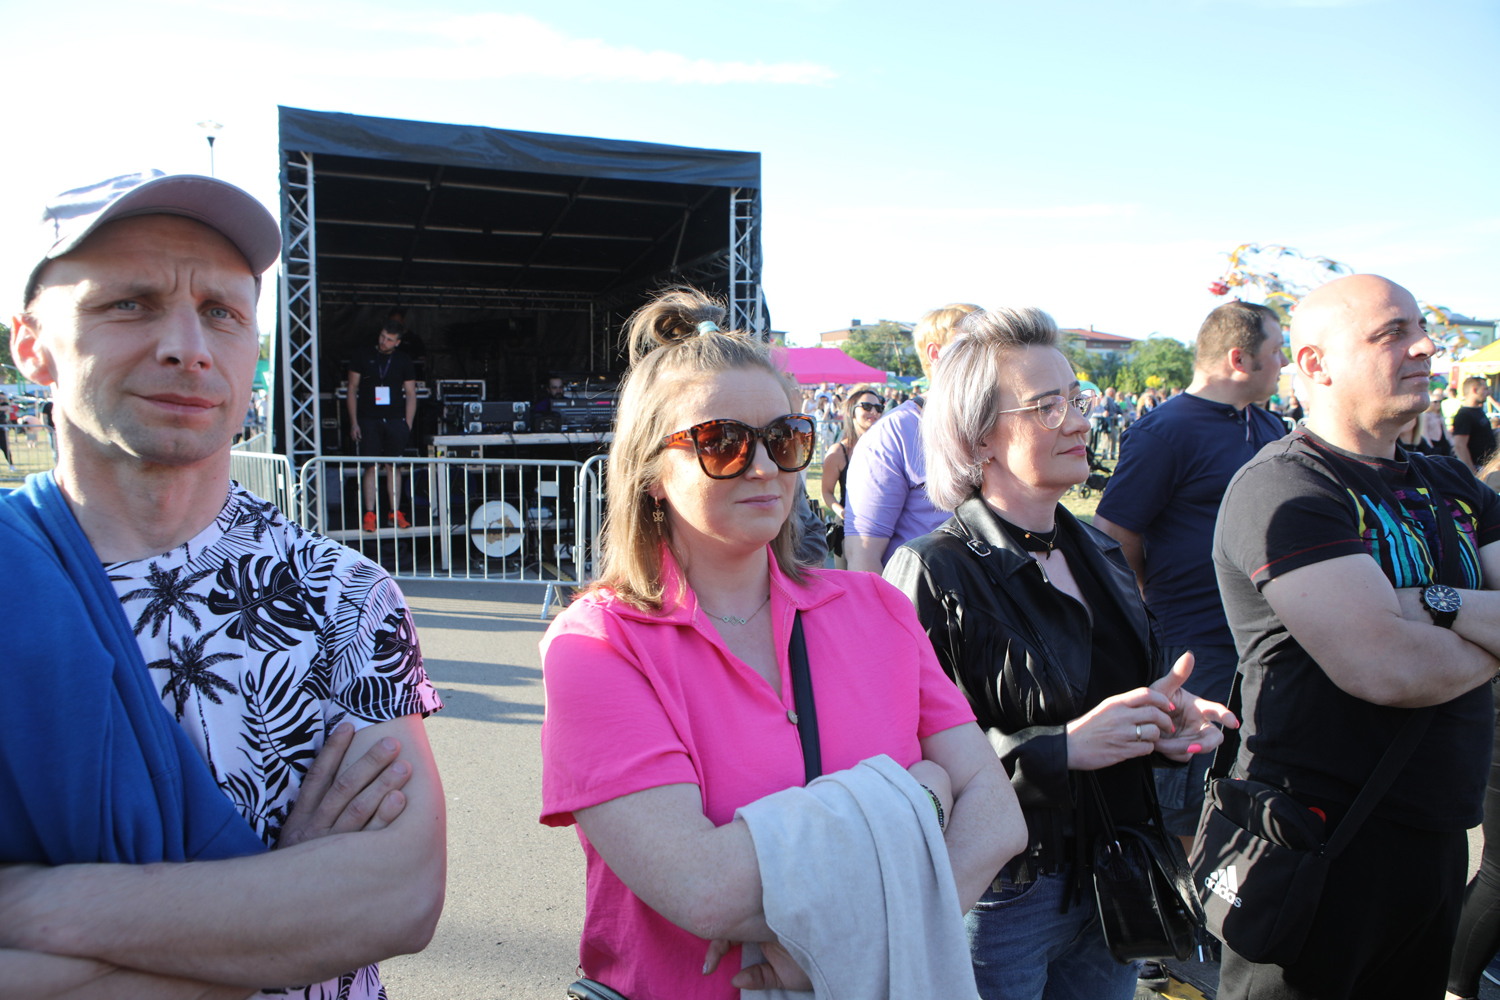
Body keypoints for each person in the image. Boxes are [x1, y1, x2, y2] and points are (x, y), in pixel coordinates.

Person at [0, 170, 445, 997]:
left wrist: (35, 906)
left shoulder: (342, 597)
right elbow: (332, 918)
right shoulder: (14, 573)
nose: (187, 346)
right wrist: (275, 911)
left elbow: (397, 897)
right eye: (129, 303)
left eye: (221, 312)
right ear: (32, 346)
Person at [538, 288, 1025, 999]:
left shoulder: (878, 609)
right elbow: (703, 889)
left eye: (785, 438)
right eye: (723, 442)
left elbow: (997, 817)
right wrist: (921, 794)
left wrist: (856, 946)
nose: (765, 466)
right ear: (650, 474)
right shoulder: (599, 644)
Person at [883, 306, 1234, 1000]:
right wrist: (1061, 749)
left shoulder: (1099, 550)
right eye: (1047, 405)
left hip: (1115, 872)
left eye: (1078, 398)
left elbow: (1116, 698)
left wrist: (1167, 719)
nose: (1078, 421)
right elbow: (904, 758)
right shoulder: (932, 570)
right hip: (1002, 889)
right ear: (978, 436)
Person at [1213, 274, 1500, 999]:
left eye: (1420, 329)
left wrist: (1427, 603)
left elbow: (1398, 649)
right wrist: (1484, 627)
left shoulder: (1453, 484)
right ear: (1316, 364)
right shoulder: (1285, 486)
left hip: (1438, 836)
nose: (1425, 347)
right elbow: (1384, 668)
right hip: (1315, 843)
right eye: (1392, 333)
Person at [1093, 300, 1288, 853]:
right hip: (1197, 644)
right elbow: (1114, 533)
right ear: (1239, 359)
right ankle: (1190, 904)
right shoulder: (1165, 431)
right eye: (1278, 351)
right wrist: (1152, 602)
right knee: (1190, 803)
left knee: (1257, 785)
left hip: (1266, 640)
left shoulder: (1269, 424)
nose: (1285, 363)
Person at [844, 303, 979, 572]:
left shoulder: (996, 423)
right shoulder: (892, 434)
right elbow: (863, 557)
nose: (989, 356)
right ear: (936, 354)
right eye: (972, 346)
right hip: (919, 595)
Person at [346, 322, 418, 531]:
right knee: (370, 465)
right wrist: (354, 422)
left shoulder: (403, 359)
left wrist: (407, 424)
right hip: (368, 419)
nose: (384, 341)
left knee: (393, 466)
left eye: (389, 339)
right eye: (382, 336)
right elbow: (352, 389)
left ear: (397, 342)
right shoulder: (363, 355)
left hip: (395, 420)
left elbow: (411, 394)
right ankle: (370, 513)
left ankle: (395, 512)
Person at [819, 383, 884, 523]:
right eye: (867, 406)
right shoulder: (838, 452)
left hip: (882, 523)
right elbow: (826, 492)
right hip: (849, 525)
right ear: (851, 411)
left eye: (878, 408)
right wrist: (842, 512)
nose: (874, 411)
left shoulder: (886, 449)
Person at [1452, 376, 1497, 474]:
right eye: (1485, 389)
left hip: (1487, 466)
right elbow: (1460, 445)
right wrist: (1472, 472)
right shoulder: (1464, 415)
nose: (1488, 392)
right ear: (1475, 390)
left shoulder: (1477, 410)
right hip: (1478, 468)